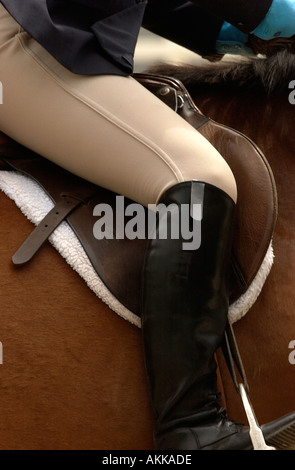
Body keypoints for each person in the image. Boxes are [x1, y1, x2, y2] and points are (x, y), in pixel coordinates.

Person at [0, 0, 295, 450]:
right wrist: (273, 14)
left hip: (56, 34)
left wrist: (236, 33)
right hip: (20, 38)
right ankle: (190, 426)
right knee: (198, 177)